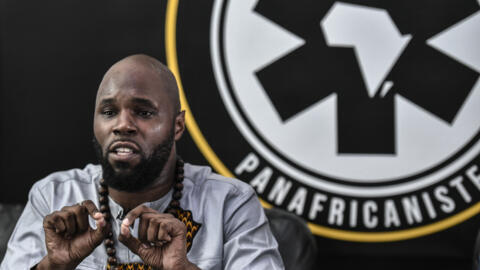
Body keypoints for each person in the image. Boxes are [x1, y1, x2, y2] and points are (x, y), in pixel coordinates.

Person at [0, 54, 284, 270]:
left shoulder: (230, 204)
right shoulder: (53, 196)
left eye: (144, 112)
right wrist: (52, 267)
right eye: (109, 112)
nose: (123, 125)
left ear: (177, 126)